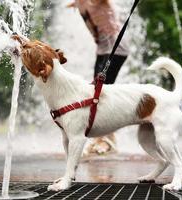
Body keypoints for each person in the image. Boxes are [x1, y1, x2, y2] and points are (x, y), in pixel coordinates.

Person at [68, 0, 129, 154]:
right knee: (95, 93)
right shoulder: (79, 4)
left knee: (99, 93)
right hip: (102, 50)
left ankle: (105, 140)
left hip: (117, 49)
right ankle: (105, 139)